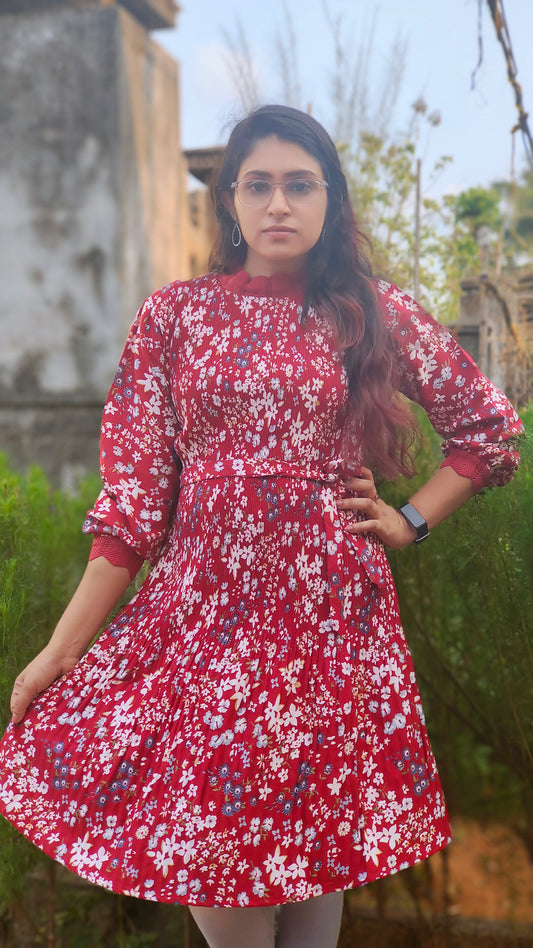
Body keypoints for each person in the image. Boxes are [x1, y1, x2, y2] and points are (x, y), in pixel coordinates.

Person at [0, 105, 523, 948]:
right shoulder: (175, 318)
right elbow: (131, 509)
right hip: (207, 619)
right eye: (258, 185)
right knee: (219, 837)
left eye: (299, 184)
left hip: (329, 618)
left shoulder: (375, 311)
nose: (278, 203)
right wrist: (60, 652)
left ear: (330, 200)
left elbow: (489, 429)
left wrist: (409, 520)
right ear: (231, 203)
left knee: (313, 839)